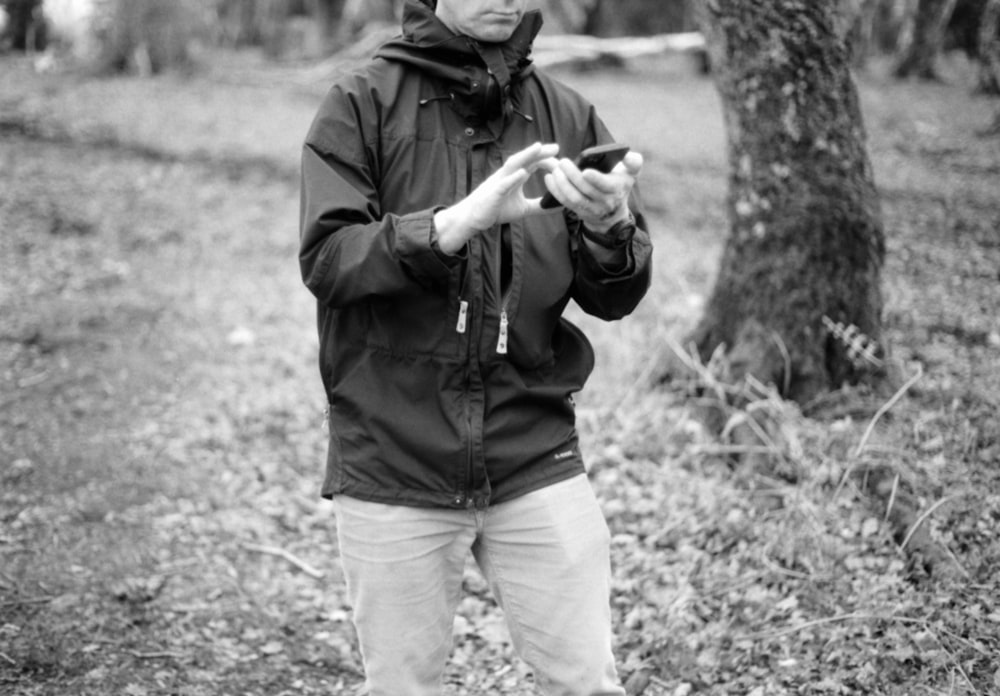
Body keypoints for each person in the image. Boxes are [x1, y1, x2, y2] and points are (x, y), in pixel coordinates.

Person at [299, 0, 653, 693]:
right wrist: (448, 226)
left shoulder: (568, 114)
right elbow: (328, 259)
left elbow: (617, 296)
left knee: (588, 682)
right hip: (394, 454)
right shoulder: (361, 101)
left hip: (533, 450)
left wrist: (611, 227)